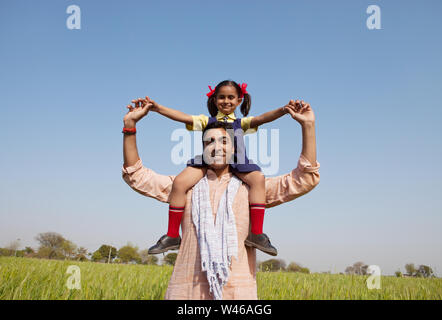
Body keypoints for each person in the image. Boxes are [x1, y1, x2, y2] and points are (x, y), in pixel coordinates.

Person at [122, 97, 320, 299]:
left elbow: (304, 178)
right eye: (209, 142)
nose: (217, 147)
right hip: (186, 293)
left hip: (237, 294)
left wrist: (308, 126)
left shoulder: (250, 189)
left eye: (224, 141)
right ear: (202, 150)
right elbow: (136, 175)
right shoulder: (185, 187)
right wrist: (130, 126)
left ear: (235, 149)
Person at [130, 80, 292, 257]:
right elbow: (182, 116)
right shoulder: (206, 121)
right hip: (209, 161)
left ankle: (256, 233)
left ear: (239, 100)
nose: (226, 101)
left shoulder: (241, 123)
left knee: (258, 179)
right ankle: (172, 235)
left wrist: (283, 110)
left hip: (237, 161)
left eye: (231, 97)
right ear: (214, 100)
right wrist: (157, 108)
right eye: (221, 97)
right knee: (180, 182)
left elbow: (262, 118)